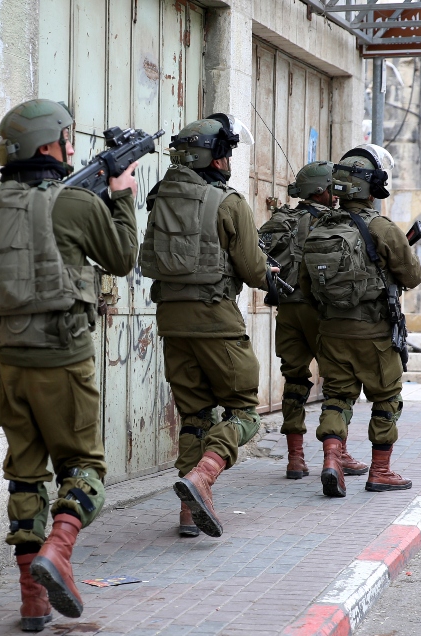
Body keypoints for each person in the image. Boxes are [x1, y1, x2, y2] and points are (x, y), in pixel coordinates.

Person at [0, 99, 139, 629]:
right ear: (48, 146)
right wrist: (123, 195)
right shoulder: (76, 205)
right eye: (66, 138)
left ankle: (32, 602)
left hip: (11, 364)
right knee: (86, 469)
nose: (71, 147)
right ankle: (58, 553)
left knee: (24, 475)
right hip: (65, 360)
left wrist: (3, 352)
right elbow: (124, 257)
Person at [139, 114, 269, 539]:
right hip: (216, 320)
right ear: (212, 158)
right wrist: (278, 279)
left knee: (194, 415)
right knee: (245, 412)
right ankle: (204, 477)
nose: (228, 160)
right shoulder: (228, 202)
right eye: (225, 153)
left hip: (171, 323)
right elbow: (252, 269)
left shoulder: (160, 198)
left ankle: (187, 512)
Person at [299, 144, 421, 498]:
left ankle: (331, 461)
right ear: (371, 187)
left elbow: (307, 289)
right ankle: (380, 472)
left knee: (337, 398)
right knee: (386, 398)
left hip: (332, 332)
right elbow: (412, 277)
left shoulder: (318, 228)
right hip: (374, 333)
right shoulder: (381, 227)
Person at [258, 161, 368, 480]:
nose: (336, 194)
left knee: (295, 380)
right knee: (338, 381)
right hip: (321, 312)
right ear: (320, 191)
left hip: (289, 310)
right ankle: (336, 455)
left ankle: (295, 458)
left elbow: (255, 251)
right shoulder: (336, 222)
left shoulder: (280, 219)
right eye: (332, 188)